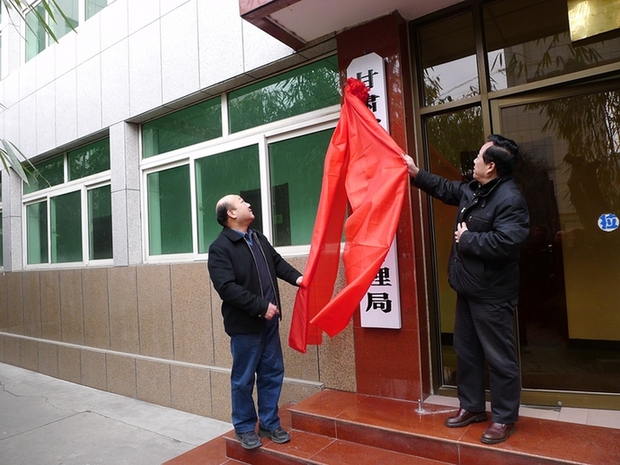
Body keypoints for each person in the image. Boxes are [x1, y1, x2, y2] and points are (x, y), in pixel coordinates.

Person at [403, 135, 529, 444]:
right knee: (467, 351)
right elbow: (447, 189)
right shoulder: (476, 189)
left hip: (492, 294)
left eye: (478, 157)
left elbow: (509, 242)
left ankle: (503, 417)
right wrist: (416, 173)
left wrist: (468, 239)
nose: (473, 160)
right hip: (468, 288)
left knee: (499, 358)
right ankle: (472, 407)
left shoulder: (510, 199)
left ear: (491, 166)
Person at [208, 194, 303, 450]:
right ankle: (244, 428)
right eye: (241, 202)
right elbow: (226, 288)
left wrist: (298, 279)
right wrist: (261, 307)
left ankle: (269, 424)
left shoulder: (258, 238)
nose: (248, 204)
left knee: (272, 374)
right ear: (230, 214)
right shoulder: (220, 248)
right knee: (244, 379)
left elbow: (277, 263)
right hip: (245, 327)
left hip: (270, 323)